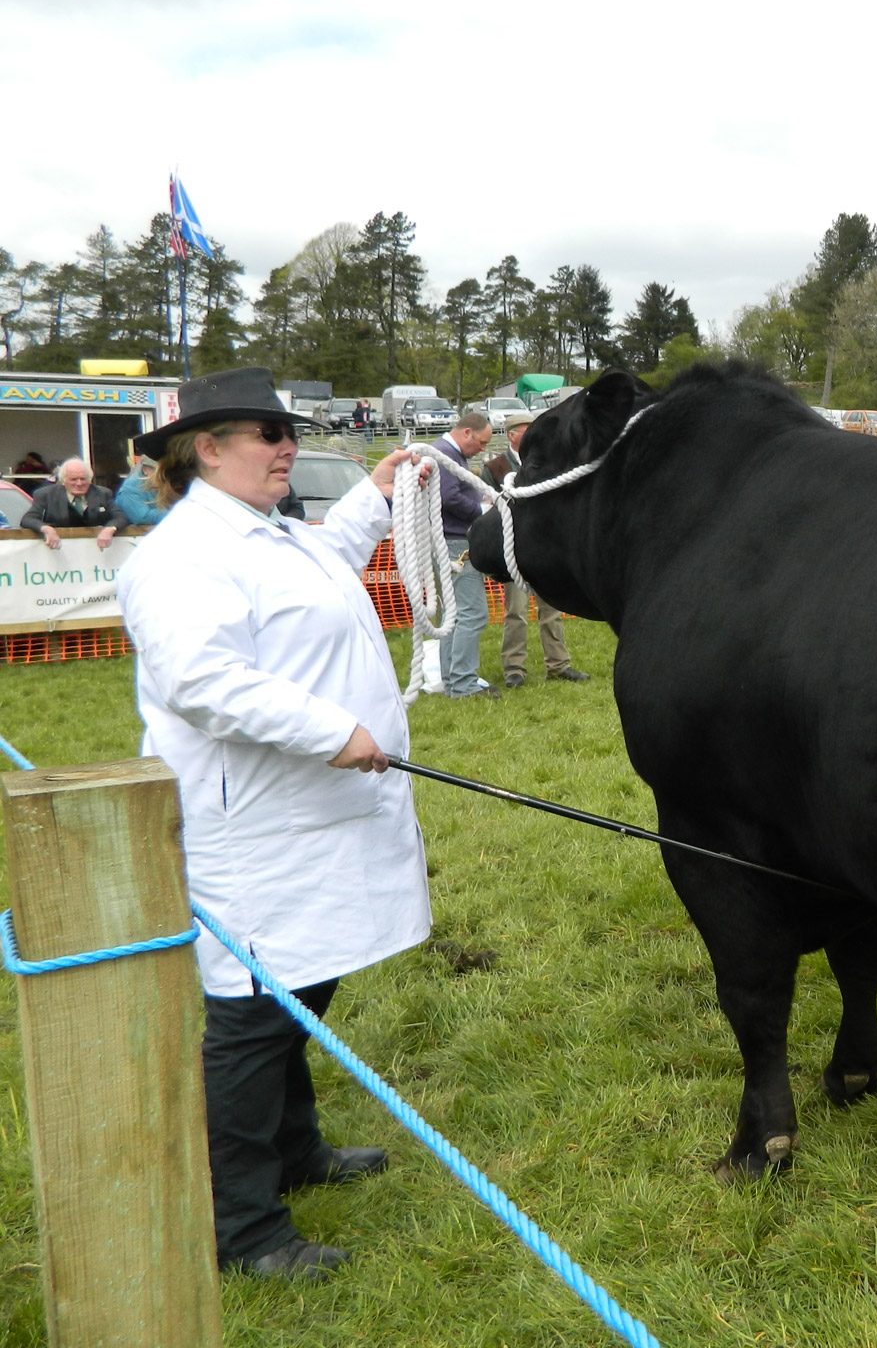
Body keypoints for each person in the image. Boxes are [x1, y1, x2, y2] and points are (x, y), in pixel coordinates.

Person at [116, 366, 433, 1283]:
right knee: (256, 1014)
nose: (286, 444)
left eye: (286, 430)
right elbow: (201, 682)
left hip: (315, 813)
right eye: (266, 432)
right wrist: (335, 732)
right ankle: (241, 1225)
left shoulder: (264, 531)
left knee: (303, 985)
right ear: (205, 449)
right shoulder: (180, 557)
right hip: (257, 824)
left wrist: (377, 498)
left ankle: (297, 1150)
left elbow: (324, 566)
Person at [481, 412, 589, 688]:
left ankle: (558, 664)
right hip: (513, 549)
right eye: (526, 429)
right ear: (512, 435)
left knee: (552, 607)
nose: (532, 434)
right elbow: (490, 506)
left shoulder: (545, 462)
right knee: (515, 611)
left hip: (544, 547)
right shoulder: (495, 467)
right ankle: (514, 668)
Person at [433, 412, 497, 700]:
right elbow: (448, 498)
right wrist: (481, 512)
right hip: (456, 544)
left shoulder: (445, 452)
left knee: (455, 615)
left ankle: (453, 679)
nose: (482, 449)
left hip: (448, 541)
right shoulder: (446, 454)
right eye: (482, 442)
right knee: (473, 613)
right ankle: (463, 683)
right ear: (467, 432)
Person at [20, 457, 128, 551]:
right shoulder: (45, 495)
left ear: (90, 479)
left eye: (83, 479)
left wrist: (110, 529)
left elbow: (121, 517)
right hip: (57, 554)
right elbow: (28, 519)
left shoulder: (103, 493)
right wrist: (46, 529)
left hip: (96, 554)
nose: (79, 483)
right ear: (63, 481)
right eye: (73, 479)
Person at [116, 454, 170, 525]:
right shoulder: (131, 486)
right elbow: (142, 517)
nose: (164, 476)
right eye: (160, 472)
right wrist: (176, 513)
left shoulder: (162, 485)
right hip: (136, 534)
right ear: (145, 470)